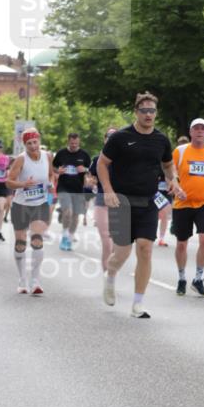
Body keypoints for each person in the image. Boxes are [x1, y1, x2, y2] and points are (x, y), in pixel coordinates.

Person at [97, 92, 182, 318]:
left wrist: (173, 180)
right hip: (122, 201)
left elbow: (167, 166)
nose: (148, 114)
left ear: (156, 113)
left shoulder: (161, 140)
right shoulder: (120, 138)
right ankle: (111, 275)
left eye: (152, 110)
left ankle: (137, 304)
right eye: (144, 110)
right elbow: (102, 164)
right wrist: (108, 191)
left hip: (148, 202)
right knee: (122, 253)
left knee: (145, 249)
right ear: (136, 112)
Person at [171, 118, 204, 297]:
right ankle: (182, 278)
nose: (200, 131)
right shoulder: (180, 151)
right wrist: (177, 187)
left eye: (203, 129)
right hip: (182, 203)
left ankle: (198, 278)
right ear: (191, 132)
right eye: (196, 129)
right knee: (182, 244)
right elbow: (171, 174)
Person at [5, 128, 54, 294]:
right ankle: (22, 279)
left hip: (40, 204)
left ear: (39, 140)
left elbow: (50, 174)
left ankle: (35, 281)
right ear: (24, 144)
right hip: (21, 205)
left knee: (37, 239)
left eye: (35, 142)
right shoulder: (20, 160)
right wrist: (23, 184)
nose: (33, 146)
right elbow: (9, 182)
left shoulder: (47, 156)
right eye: (29, 143)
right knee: (20, 244)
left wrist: (50, 184)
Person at [53, 133, 91, 250]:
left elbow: (91, 170)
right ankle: (64, 235)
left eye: (76, 143)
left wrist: (84, 169)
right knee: (68, 212)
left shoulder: (84, 155)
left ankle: (70, 238)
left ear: (79, 142)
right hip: (63, 188)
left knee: (75, 216)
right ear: (68, 142)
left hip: (78, 189)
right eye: (72, 143)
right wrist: (58, 170)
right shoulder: (61, 153)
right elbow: (53, 167)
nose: (74, 145)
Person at [87, 128, 118, 271]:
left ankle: (110, 274)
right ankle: (107, 276)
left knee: (116, 245)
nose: (111, 139)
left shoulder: (124, 159)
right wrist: (91, 181)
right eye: (109, 136)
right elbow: (90, 177)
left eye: (114, 136)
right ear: (104, 139)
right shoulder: (97, 159)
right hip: (102, 200)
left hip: (119, 202)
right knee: (107, 241)